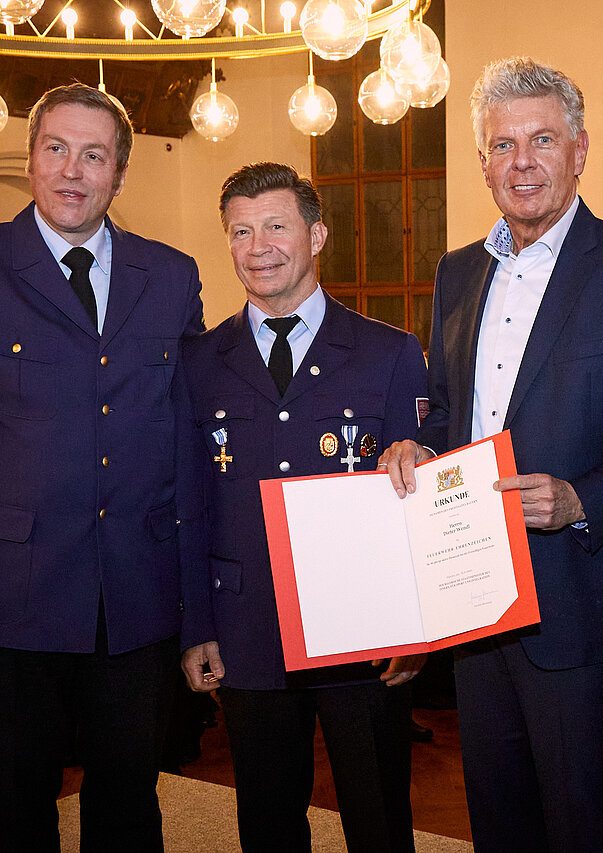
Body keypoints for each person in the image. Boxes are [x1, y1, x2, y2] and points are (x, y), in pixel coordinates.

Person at [379, 57, 603, 852]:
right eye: (503, 144)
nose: (522, 162)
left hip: (581, 604)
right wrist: (421, 445)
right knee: (499, 818)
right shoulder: (457, 272)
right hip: (475, 600)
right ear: (482, 161)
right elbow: (449, 410)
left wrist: (581, 499)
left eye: (542, 140)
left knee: (591, 824)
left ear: (579, 150)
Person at [0, 82, 204, 853]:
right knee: (16, 807)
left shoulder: (172, 275)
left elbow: (191, 438)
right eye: (56, 149)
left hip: (136, 594)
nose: (72, 170)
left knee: (129, 806)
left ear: (119, 173)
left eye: (93, 155)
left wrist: (199, 599)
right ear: (30, 159)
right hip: (6, 596)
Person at [178, 162, 427, 853]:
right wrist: (196, 626)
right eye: (241, 231)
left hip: (364, 629)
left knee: (379, 815)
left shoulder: (388, 352)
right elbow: (190, 502)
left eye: (276, 226)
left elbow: (419, 497)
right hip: (246, 624)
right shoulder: (200, 362)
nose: (258, 247)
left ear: (316, 235)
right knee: (266, 820)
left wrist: (417, 629)